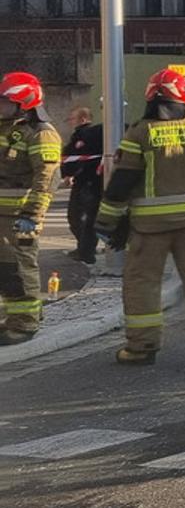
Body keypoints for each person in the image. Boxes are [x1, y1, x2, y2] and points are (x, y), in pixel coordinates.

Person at [95, 69, 185, 365]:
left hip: (150, 228)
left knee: (142, 282)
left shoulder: (140, 133)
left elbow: (123, 182)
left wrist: (107, 222)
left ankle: (142, 347)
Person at [0, 72, 61, 345]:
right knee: (5, 269)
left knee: (20, 268)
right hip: (3, 214)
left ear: (24, 103)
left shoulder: (41, 133)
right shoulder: (7, 128)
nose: (1, 106)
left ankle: (25, 323)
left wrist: (32, 214)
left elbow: (46, 178)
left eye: (5, 102)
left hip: (20, 214)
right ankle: (15, 318)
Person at [61, 107, 104, 264]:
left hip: (86, 182)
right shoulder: (90, 134)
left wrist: (69, 172)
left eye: (72, 118)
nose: (70, 122)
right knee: (84, 218)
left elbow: (76, 156)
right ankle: (85, 249)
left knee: (79, 218)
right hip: (89, 180)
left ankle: (86, 251)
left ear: (83, 119)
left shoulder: (85, 135)